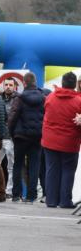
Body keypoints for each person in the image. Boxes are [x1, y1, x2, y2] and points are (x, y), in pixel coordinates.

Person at [40, 72, 81, 209]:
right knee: (68, 170)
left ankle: (51, 200)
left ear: (63, 82)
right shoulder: (78, 101)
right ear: (75, 84)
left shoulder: (50, 97)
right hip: (70, 142)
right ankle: (65, 201)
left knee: (52, 169)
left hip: (50, 140)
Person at [7, 72, 44, 203]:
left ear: (25, 82)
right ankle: (31, 196)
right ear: (35, 82)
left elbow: (12, 117)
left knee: (18, 165)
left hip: (20, 137)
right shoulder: (43, 97)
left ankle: (16, 195)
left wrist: (12, 133)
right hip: (37, 137)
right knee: (34, 166)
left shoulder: (20, 98)